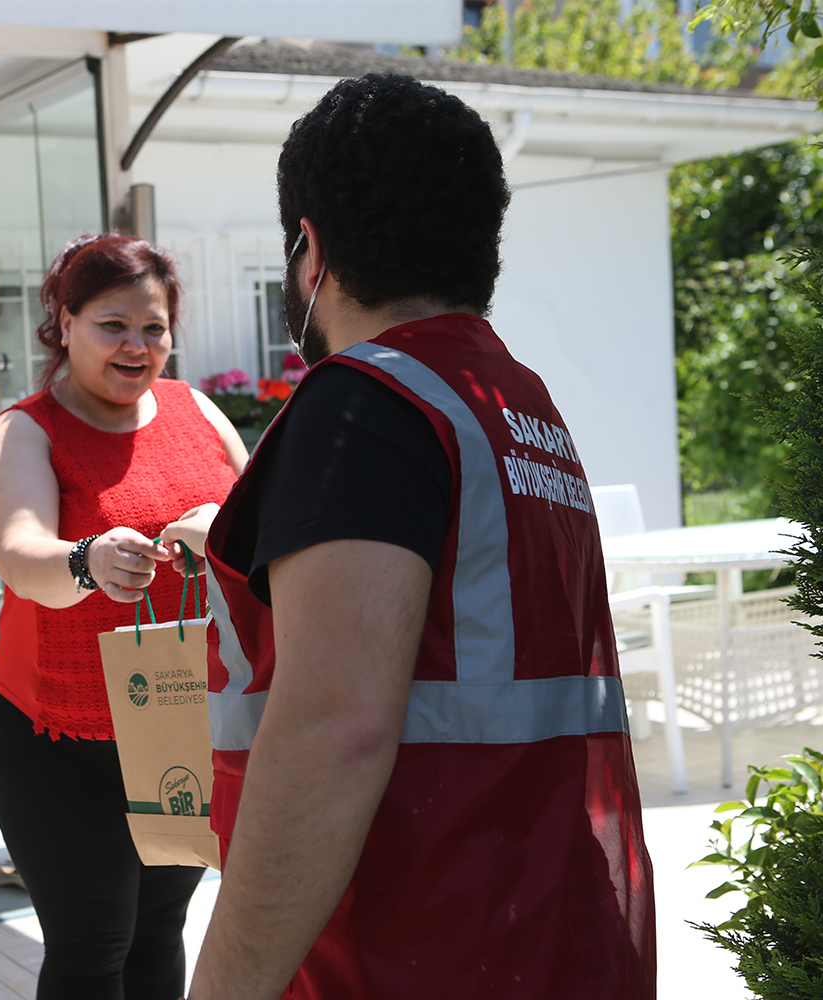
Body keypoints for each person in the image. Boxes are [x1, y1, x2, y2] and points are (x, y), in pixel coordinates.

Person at [171, 74, 658, 999]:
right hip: (548, 939)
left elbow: (332, 730)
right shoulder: (516, 408)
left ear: (308, 251)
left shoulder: (367, 406)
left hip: (411, 951)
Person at [0, 234, 246, 999]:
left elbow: (264, 530)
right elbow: (23, 555)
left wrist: (218, 530)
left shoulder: (197, 411)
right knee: (92, 946)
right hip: (64, 742)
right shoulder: (24, 432)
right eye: (112, 324)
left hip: (183, 716)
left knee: (160, 929)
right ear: (64, 321)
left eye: (153, 328)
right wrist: (87, 560)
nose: (137, 346)